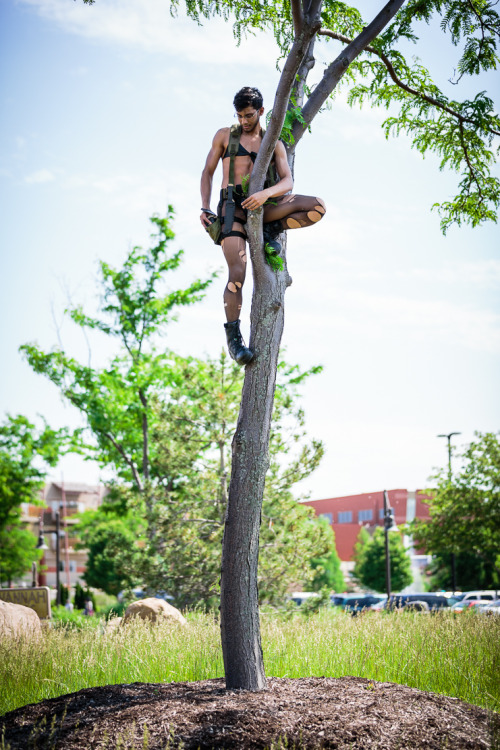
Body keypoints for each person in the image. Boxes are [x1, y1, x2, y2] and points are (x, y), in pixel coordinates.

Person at [200, 86, 326, 365]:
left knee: (317, 206)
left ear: (261, 111)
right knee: (237, 273)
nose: (244, 121)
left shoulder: (273, 142)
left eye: (248, 115)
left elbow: (287, 181)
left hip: (262, 208)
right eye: (239, 115)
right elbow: (207, 172)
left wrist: (264, 194)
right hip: (231, 211)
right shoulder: (224, 136)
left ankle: (272, 230)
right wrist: (205, 207)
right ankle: (234, 340)